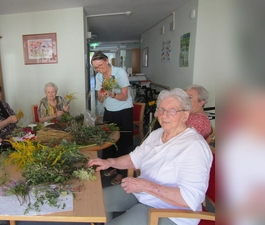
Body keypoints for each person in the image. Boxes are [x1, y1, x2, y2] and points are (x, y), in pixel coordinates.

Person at [88, 88, 213, 225]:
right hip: (143, 193)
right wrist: (109, 162)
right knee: (95, 203)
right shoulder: (158, 134)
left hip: (170, 212)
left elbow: (189, 199)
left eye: (172, 111)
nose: (164, 115)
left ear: (185, 115)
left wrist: (145, 186)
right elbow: (133, 159)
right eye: (161, 109)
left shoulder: (194, 147)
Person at [92, 51, 134, 186]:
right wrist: (103, 94)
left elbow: (124, 96)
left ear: (106, 61)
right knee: (109, 140)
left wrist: (111, 94)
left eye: (100, 65)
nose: (98, 69)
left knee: (123, 142)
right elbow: (99, 98)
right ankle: (110, 166)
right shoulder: (99, 77)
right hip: (109, 111)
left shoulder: (119, 72)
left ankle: (121, 174)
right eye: (96, 67)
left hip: (124, 111)